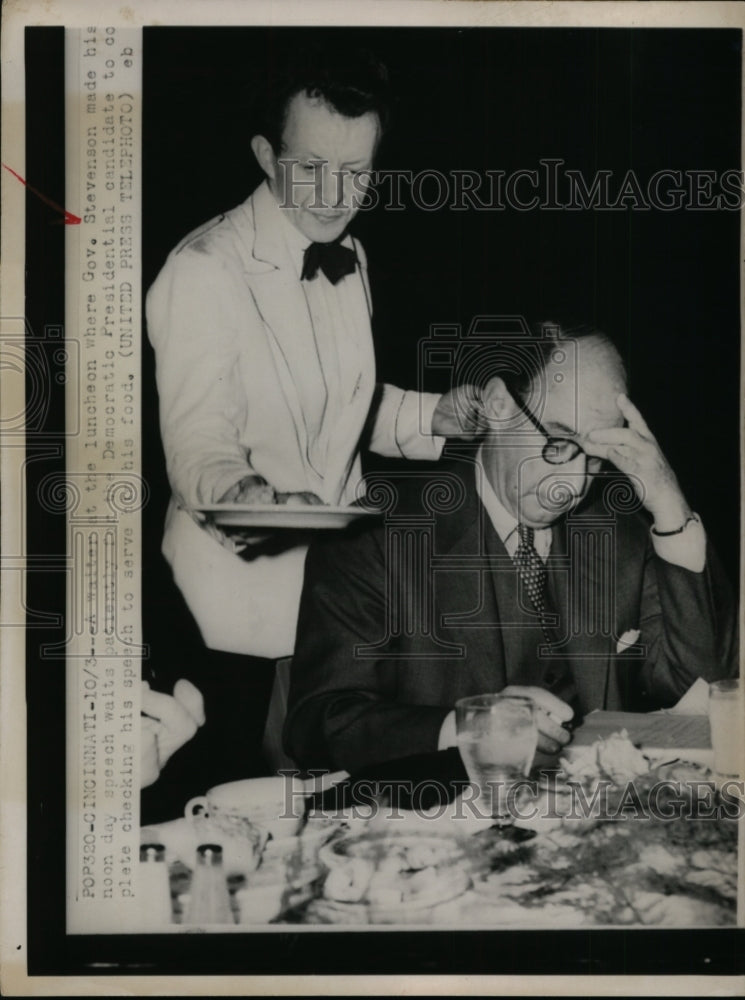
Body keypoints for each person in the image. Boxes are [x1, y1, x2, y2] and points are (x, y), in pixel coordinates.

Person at [145, 46, 483, 782]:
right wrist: (248, 496)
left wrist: (439, 416)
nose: (336, 195)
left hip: (336, 602)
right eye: (312, 168)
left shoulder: (348, 255)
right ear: (266, 156)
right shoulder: (203, 271)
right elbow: (198, 437)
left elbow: (339, 406)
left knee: (338, 808)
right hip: (235, 619)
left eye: (356, 172)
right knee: (250, 813)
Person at [284, 324, 738, 773]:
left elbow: (699, 692)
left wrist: (669, 505)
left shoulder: (621, 535)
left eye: (597, 458)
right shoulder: (374, 536)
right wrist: (466, 728)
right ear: (500, 405)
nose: (573, 484)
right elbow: (320, 724)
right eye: (558, 443)